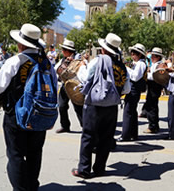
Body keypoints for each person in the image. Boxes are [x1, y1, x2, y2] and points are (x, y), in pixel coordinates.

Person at [0, 23, 57, 190]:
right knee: (35, 154)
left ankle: (20, 189)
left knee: (16, 155)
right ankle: (32, 185)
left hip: (16, 115)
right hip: (40, 115)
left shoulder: (15, 61)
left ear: (21, 44)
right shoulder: (47, 63)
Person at [72, 33, 130, 179]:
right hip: (112, 106)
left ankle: (84, 169)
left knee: (88, 136)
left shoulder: (98, 61)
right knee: (106, 137)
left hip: (95, 104)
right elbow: (127, 89)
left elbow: (85, 78)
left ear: (103, 49)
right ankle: (100, 168)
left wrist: (81, 67)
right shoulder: (122, 66)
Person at [118, 43, 147, 142]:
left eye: (134, 53)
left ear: (139, 54)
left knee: (128, 112)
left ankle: (125, 135)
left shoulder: (141, 64)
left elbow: (135, 77)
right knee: (132, 112)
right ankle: (133, 134)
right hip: (133, 89)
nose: (132, 55)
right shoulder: (138, 63)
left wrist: (126, 68)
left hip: (134, 90)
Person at [55, 39, 84, 133]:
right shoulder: (63, 60)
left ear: (68, 51)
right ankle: (65, 126)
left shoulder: (78, 59)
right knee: (62, 106)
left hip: (74, 86)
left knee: (78, 107)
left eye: (63, 50)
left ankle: (85, 127)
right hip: (64, 85)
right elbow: (56, 69)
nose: (62, 52)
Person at [143, 47, 164, 134]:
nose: (152, 58)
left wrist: (145, 75)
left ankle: (153, 126)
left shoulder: (160, 65)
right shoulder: (155, 64)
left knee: (152, 106)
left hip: (155, 86)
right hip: (152, 86)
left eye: (154, 56)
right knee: (150, 105)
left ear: (158, 57)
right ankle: (154, 124)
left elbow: (154, 76)